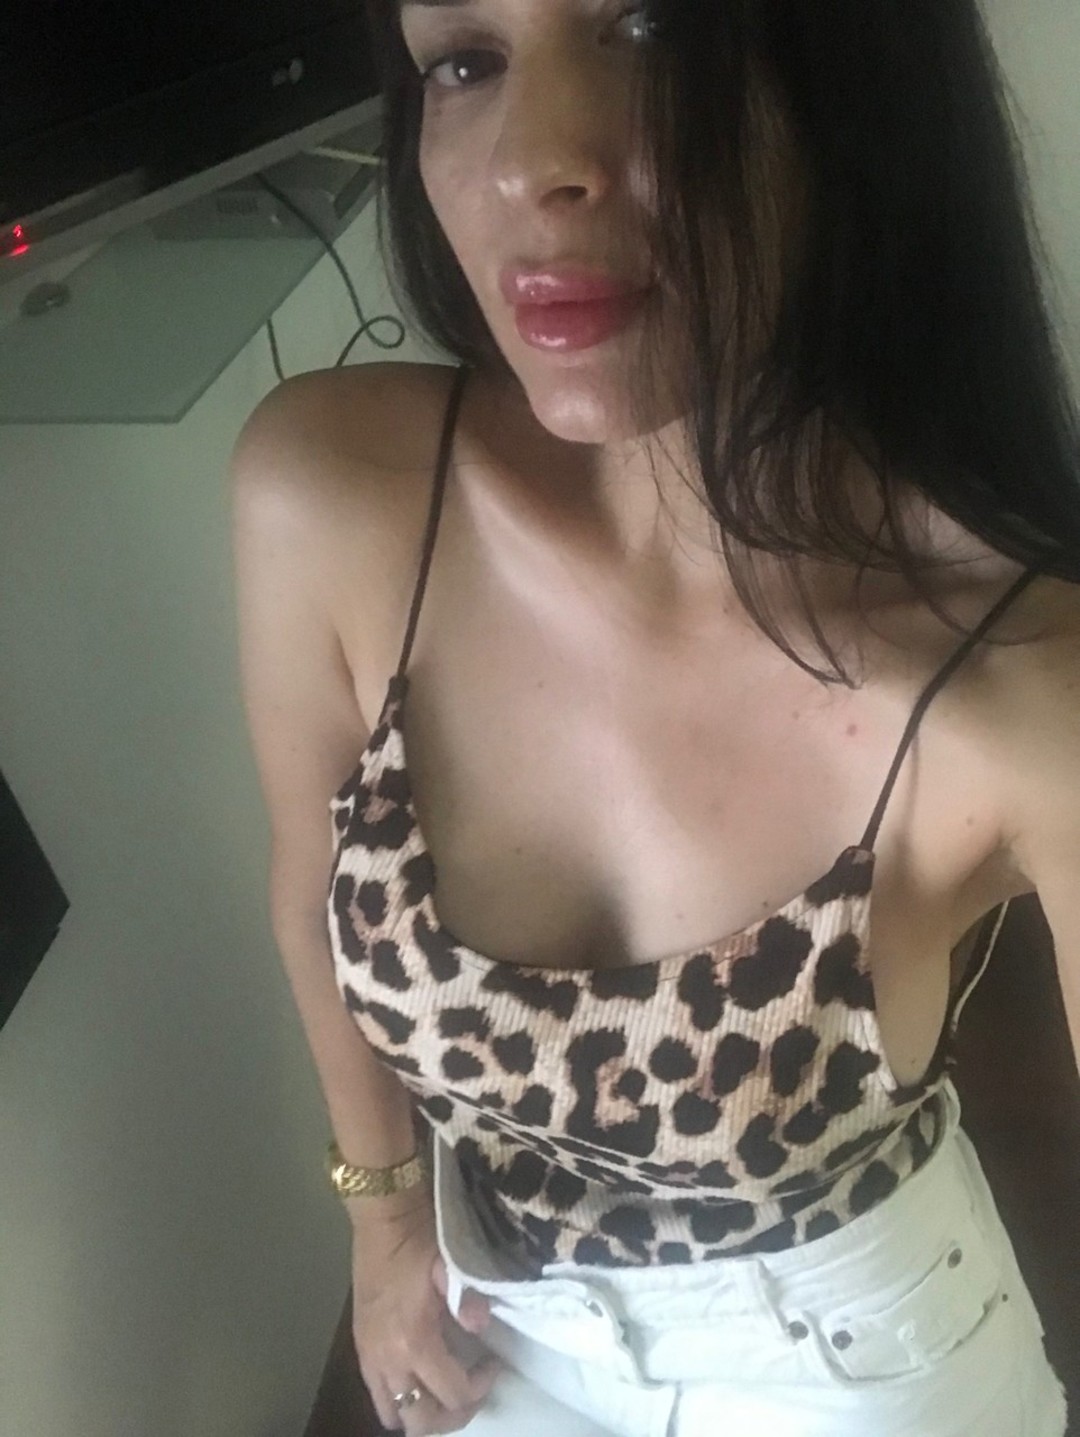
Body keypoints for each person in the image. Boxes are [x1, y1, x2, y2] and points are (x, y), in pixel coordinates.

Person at [229, 1, 1080, 1433]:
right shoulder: (332, 497)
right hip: (501, 1318)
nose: (531, 163)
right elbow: (308, 883)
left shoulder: (1025, 685)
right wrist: (381, 1227)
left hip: (854, 1365)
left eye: (652, 27)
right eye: (465, 62)